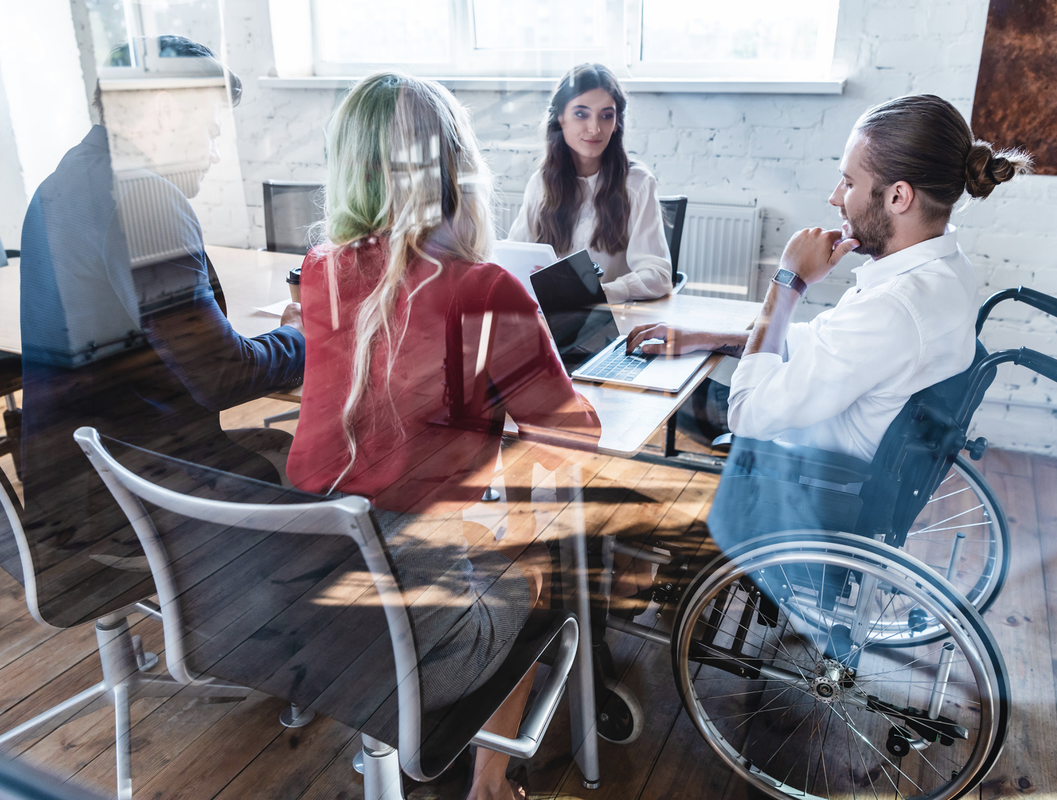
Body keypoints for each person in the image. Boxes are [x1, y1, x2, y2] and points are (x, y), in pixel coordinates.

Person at [285, 73, 600, 800]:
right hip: (411, 631)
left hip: (300, 606)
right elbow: (572, 438)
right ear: (454, 167)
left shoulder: (320, 272)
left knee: (483, 529)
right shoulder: (483, 288)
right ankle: (489, 778)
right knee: (534, 552)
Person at [18, 37, 305, 626]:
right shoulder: (143, 196)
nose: (214, 150)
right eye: (209, 128)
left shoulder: (61, 180)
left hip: (70, 490)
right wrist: (310, 336)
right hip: (132, 500)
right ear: (166, 114)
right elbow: (224, 376)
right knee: (319, 461)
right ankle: (286, 651)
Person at [627, 94, 1032, 463]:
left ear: (898, 197)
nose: (835, 197)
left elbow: (746, 414)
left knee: (640, 398)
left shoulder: (893, 307)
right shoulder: (945, 267)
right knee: (667, 376)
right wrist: (713, 337)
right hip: (814, 425)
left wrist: (788, 281)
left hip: (797, 471)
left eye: (850, 182)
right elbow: (827, 344)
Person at [506, 63, 673, 304]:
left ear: (616, 123)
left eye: (606, 116)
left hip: (608, 320)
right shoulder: (541, 184)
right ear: (560, 117)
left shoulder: (637, 184)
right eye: (581, 114)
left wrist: (600, 293)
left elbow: (658, 276)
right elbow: (514, 260)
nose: (595, 128)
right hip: (549, 318)